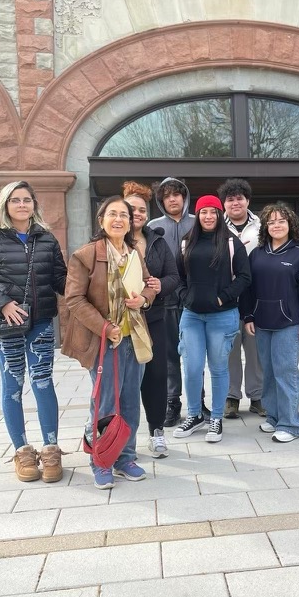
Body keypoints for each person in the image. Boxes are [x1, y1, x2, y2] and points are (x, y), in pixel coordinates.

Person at [0, 181, 67, 483]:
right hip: (7, 324)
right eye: (15, 200)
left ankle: (50, 449)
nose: (22, 205)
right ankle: (22, 451)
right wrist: (2, 304)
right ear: (5, 205)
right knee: (12, 385)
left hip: (41, 322)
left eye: (26, 200)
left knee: (43, 382)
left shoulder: (46, 239)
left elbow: (60, 279)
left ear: (34, 204)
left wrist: (92, 287)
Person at [62, 196, 157, 488]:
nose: (119, 219)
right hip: (106, 341)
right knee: (104, 404)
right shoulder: (85, 255)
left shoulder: (134, 253)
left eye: (124, 215)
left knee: (129, 402)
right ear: (101, 220)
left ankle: (125, 457)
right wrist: (104, 327)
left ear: (130, 223)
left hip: (134, 338)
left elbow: (149, 286)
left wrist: (144, 298)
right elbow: (74, 300)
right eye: (112, 214)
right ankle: (100, 460)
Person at [173, 195, 251, 443]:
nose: (208, 216)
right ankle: (195, 415)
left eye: (213, 212)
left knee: (218, 369)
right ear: (198, 215)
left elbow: (244, 277)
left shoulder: (231, 243)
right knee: (192, 368)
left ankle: (216, 418)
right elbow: (177, 277)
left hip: (222, 315)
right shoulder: (187, 243)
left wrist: (223, 298)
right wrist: (185, 296)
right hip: (192, 316)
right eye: (204, 212)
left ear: (219, 215)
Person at [240, 203, 299, 443]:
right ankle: (274, 416)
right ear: (265, 226)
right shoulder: (257, 253)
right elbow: (248, 289)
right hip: (262, 322)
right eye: (271, 221)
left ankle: (291, 424)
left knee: (286, 371)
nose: (276, 225)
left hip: (290, 322)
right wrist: (248, 316)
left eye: (281, 221)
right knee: (269, 372)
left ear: (290, 224)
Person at [123, 181, 179, 459]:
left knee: (157, 376)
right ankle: (122, 437)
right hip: (121, 321)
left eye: (142, 209)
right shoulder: (110, 240)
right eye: (131, 208)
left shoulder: (157, 240)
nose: (137, 213)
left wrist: (160, 285)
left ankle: (156, 431)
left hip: (154, 318)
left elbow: (173, 276)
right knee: (125, 379)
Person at [148, 177, 197, 428]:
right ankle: (172, 401)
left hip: (193, 301)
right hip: (164, 300)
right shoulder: (153, 226)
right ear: (161, 201)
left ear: (185, 197)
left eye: (177, 194)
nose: (172, 199)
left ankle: (197, 404)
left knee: (194, 355)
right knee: (168, 356)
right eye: (167, 196)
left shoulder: (198, 222)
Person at [217, 178, 265, 420]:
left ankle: (257, 396)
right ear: (224, 204)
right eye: (230, 199)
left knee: (255, 348)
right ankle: (232, 397)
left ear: (248, 200)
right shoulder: (216, 226)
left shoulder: (261, 226)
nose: (235, 202)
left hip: (256, 295)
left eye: (240, 198)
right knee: (230, 349)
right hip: (227, 298)